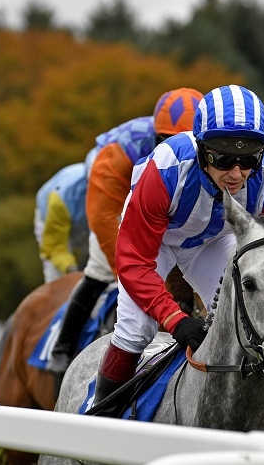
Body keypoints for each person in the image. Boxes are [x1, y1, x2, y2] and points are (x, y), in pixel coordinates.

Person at [90, 85, 264, 415]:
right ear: (201, 148)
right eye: (224, 158)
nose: (237, 173)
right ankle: (102, 419)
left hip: (212, 241)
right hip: (157, 242)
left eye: (248, 159)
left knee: (252, 318)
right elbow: (134, 261)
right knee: (135, 330)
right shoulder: (164, 172)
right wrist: (174, 318)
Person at [46, 87, 204, 373]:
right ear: (158, 138)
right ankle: (63, 346)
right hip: (114, 190)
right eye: (171, 141)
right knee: (102, 267)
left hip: (164, 190)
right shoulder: (117, 156)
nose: (183, 151)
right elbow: (104, 221)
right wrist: (136, 277)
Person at [34, 149, 96, 283]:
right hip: (56, 221)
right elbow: (55, 248)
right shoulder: (61, 199)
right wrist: (71, 271)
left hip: (85, 222)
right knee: (57, 278)